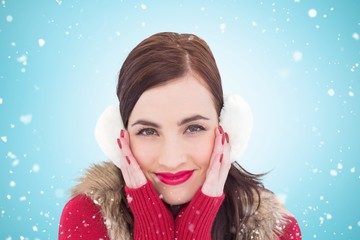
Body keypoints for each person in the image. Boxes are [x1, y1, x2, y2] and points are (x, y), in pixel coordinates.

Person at [58, 32, 302, 240]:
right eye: (148, 131)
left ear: (226, 128)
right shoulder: (89, 216)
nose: (172, 159)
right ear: (119, 137)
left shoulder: (275, 231)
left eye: (194, 128)